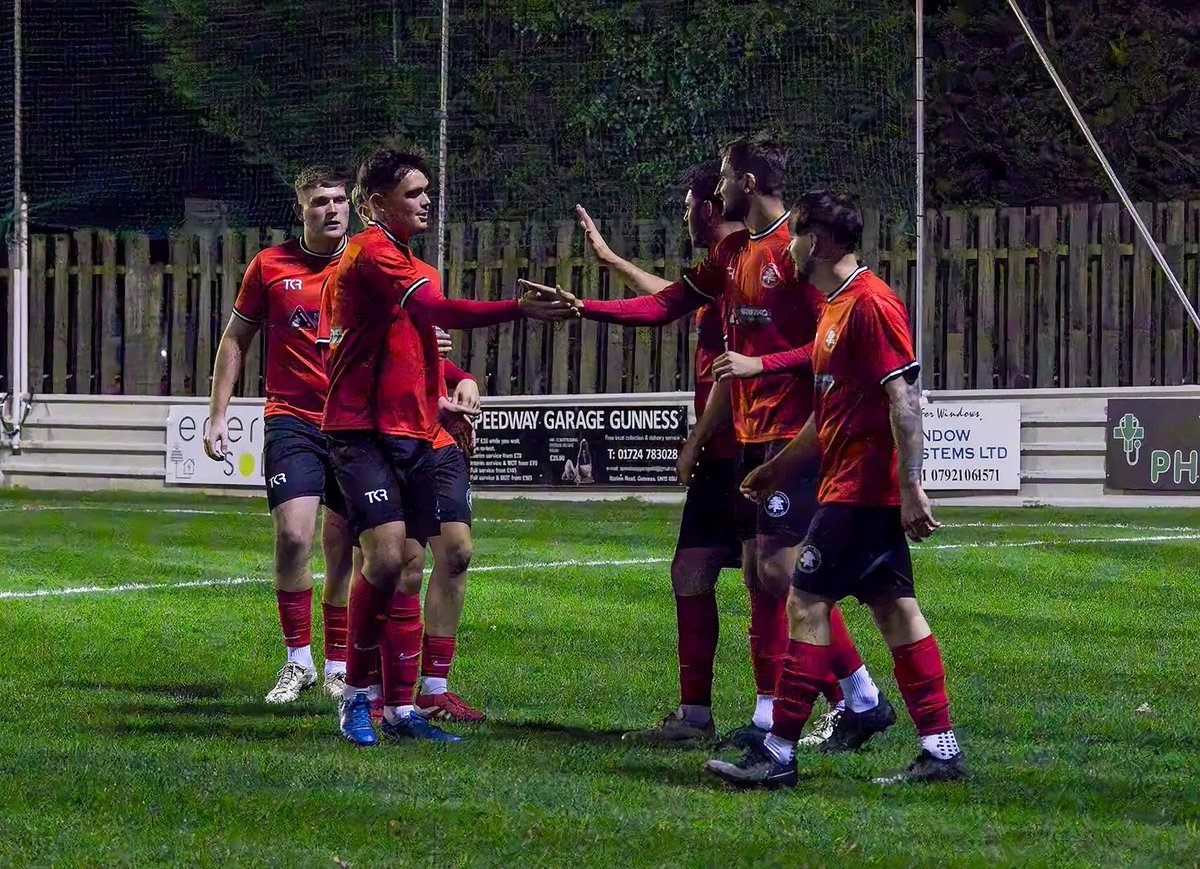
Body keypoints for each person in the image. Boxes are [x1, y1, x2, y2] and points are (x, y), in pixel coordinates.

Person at [525, 140, 886, 750]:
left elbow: (831, 338)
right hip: (747, 436)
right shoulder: (731, 253)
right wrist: (586, 307)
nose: (716, 192)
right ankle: (803, 708)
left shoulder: (795, 251)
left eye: (721, 179)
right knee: (758, 574)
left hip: (794, 435)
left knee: (779, 572)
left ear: (746, 181)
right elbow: (667, 303)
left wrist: (759, 364)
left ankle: (852, 696)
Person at [704, 190, 969, 788]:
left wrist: (910, 487)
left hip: (860, 493)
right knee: (896, 610)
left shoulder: (871, 305)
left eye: (795, 236)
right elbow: (831, 415)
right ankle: (941, 750)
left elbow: (904, 398)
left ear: (816, 241)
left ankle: (777, 753)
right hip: (849, 485)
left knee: (804, 603)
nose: (788, 248)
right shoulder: (834, 307)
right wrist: (778, 470)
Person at [322, 145, 573, 746]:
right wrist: (518, 308)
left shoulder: (408, 264)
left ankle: (405, 709)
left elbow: (416, 353)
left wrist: (450, 389)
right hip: (360, 433)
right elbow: (438, 311)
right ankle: (357, 696)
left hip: (412, 433)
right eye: (413, 193)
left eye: (427, 190)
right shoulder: (373, 254)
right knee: (383, 560)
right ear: (377, 204)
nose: (427, 200)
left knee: (412, 564)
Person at [203, 165, 355, 704]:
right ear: (302, 210)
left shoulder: (368, 264)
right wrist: (218, 413)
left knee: (341, 545)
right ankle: (298, 662)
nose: (332, 209)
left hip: (353, 421)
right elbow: (236, 339)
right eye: (320, 202)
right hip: (290, 416)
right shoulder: (269, 266)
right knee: (293, 536)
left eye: (339, 200)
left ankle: (338, 664)